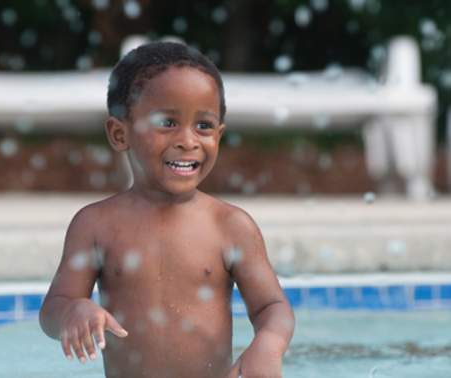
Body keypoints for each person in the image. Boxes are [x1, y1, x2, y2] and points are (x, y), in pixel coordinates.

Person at [39, 41, 295, 378]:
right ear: (120, 134)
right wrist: (73, 311)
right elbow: (52, 309)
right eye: (167, 123)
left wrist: (268, 343)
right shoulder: (96, 225)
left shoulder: (230, 226)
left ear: (219, 135)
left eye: (203, 126)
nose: (188, 141)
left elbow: (272, 307)